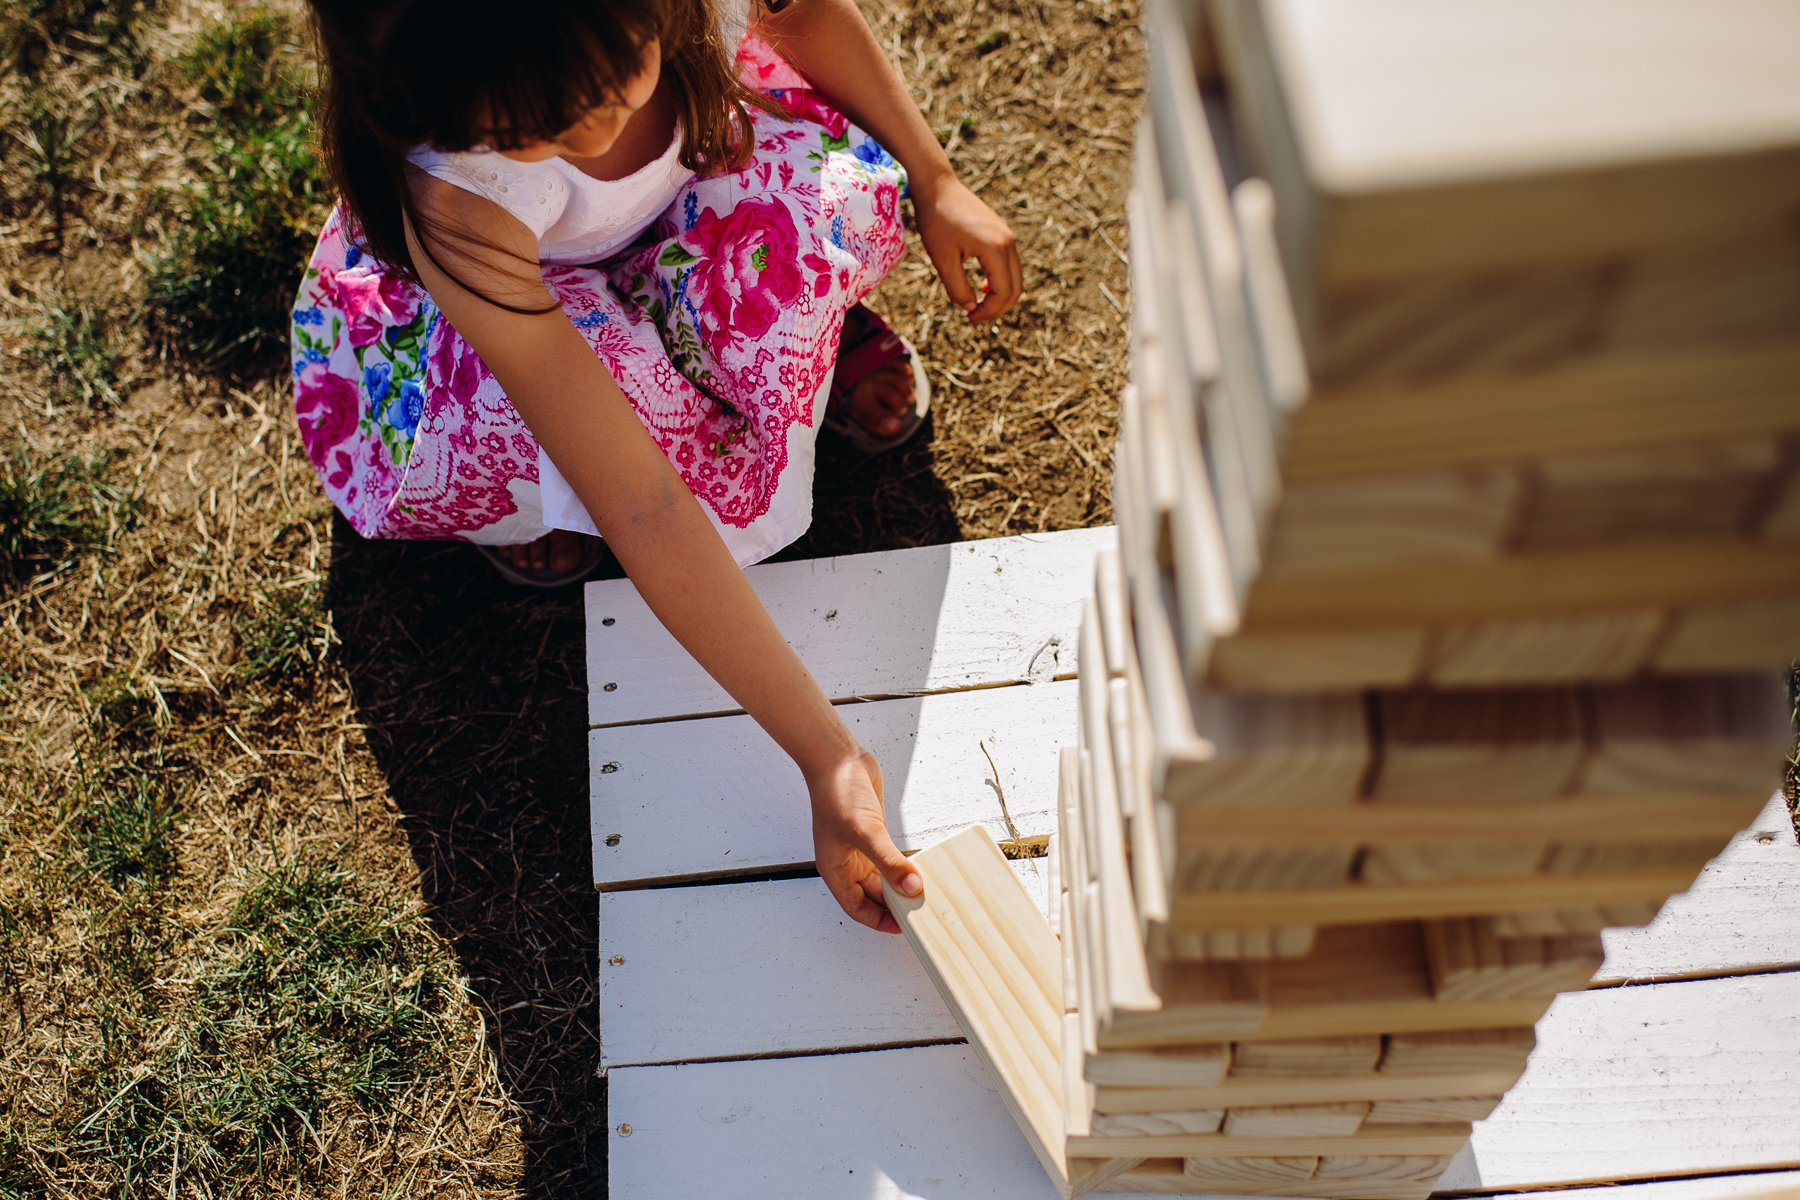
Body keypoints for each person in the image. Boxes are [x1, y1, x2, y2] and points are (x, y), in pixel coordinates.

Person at [293, 0, 1023, 933]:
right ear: (412, 104)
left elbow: (809, 20)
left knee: (805, 217)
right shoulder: (459, 205)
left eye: (609, 83)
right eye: (527, 133)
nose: (592, 133)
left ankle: (796, 356)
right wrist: (827, 756)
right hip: (524, 310)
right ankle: (531, 497)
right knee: (539, 434)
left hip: (696, 185)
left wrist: (935, 173)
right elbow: (639, 501)